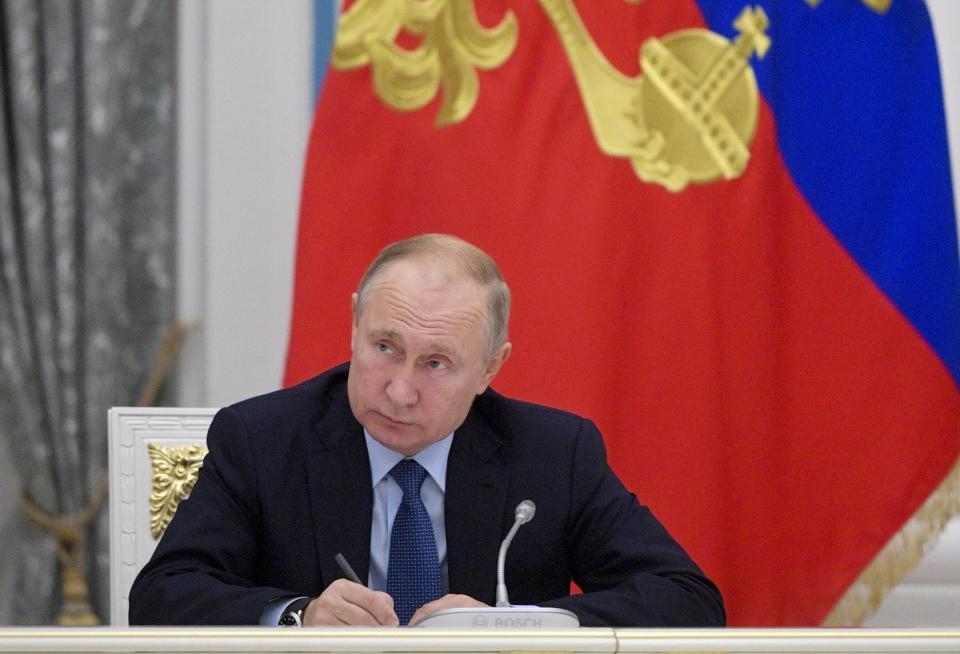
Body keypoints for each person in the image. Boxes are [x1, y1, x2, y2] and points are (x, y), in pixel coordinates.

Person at [129, 233, 725, 627]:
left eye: (436, 363)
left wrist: (518, 625)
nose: (399, 390)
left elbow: (688, 599)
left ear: (491, 367)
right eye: (385, 347)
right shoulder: (260, 439)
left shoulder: (553, 453)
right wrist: (299, 616)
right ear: (355, 323)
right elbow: (162, 596)